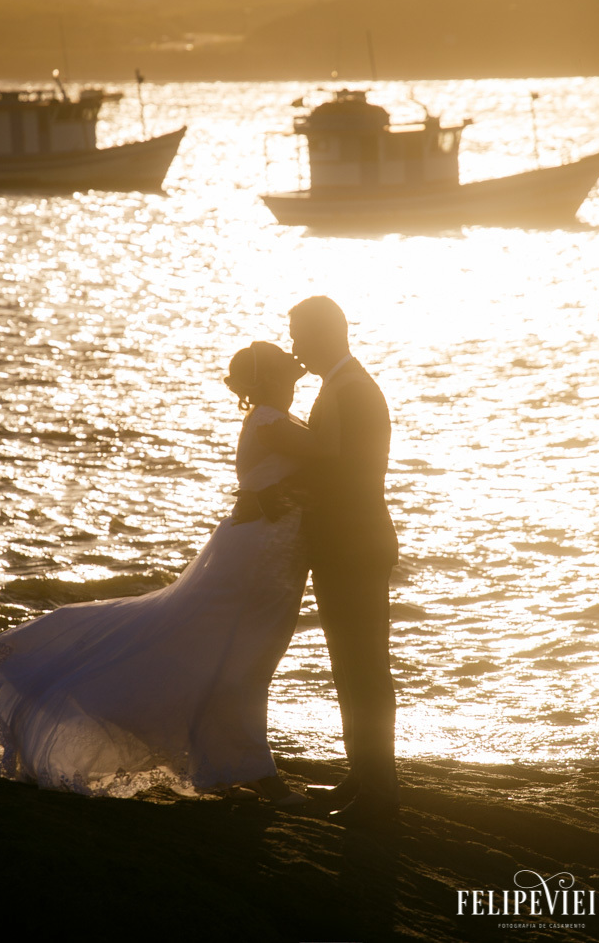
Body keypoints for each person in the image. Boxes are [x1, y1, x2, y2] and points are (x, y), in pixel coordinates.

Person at [0, 342, 308, 806]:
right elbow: (338, 455)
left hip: (272, 552)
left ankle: (228, 766)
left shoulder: (276, 419)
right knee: (240, 659)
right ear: (268, 381)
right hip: (257, 556)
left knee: (237, 659)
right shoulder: (270, 421)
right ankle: (254, 771)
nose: (295, 385)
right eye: (288, 376)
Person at [258, 297, 399, 827]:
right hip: (346, 545)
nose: (294, 346)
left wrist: (283, 489)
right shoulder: (342, 384)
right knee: (349, 667)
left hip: (354, 546)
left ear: (324, 334)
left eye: (299, 335)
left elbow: (346, 471)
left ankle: (379, 791)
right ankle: (361, 776)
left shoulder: (352, 389)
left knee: (365, 670)